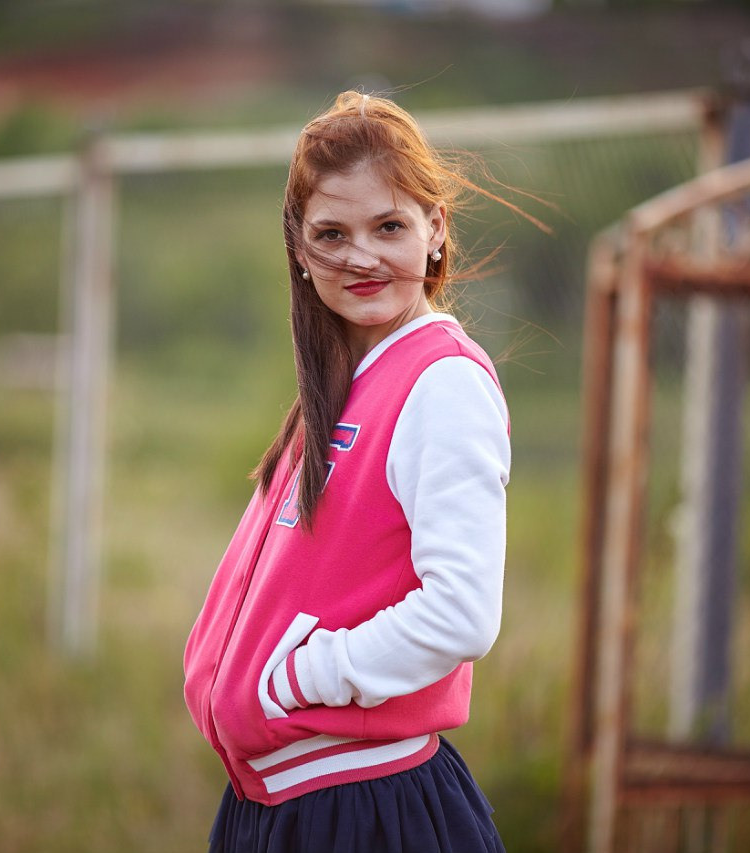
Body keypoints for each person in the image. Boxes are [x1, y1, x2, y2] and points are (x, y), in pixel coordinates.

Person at [184, 90, 521, 853]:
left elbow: (462, 612)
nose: (361, 257)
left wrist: (302, 677)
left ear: (435, 231)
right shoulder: (346, 379)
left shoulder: (442, 381)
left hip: (368, 809)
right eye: (332, 233)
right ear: (299, 250)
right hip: (284, 805)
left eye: (390, 227)